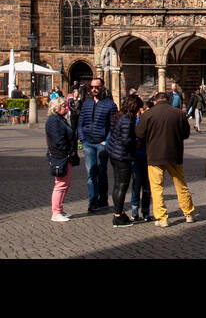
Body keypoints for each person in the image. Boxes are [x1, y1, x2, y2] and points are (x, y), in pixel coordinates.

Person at [134, 92, 195, 228]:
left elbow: (139, 133)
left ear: (155, 101)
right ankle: (189, 213)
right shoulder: (179, 114)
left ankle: (162, 218)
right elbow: (185, 134)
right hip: (174, 154)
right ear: (168, 100)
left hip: (154, 155)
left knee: (157, 188)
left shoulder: (148, 114)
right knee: (181, 185)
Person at [77, 78, 118, 213]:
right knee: (90, 173)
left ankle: (103, 199)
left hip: (101, 144)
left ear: (102, 88)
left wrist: (106, 141)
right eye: (92, 87)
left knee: (101, 173)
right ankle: (92, 201)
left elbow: (113, 126)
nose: (94, 89)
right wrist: (82, 138)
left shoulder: (110, 105)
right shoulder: (86, 103)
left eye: (96, 87)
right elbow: (80, 122)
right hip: (88, 142)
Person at [105, 94, 142, 227]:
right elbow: (126, 140)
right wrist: (135, 143)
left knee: (117, 185)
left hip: (114, 153)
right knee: (122, 185)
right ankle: (117, 216)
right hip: (122, 155)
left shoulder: (119, 115)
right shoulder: (127, 119)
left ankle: (119, 212)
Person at [45, 96, 76, 222]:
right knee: (60, 184)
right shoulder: (53, 121)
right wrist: (69, 151)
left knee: (65, 183)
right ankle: (56, 212)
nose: (65, 108)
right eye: (63, 106)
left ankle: (59, 208)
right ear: (56, 108)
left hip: (63, 155)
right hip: (59, 156)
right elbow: (59, 140)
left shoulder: (59, 119)